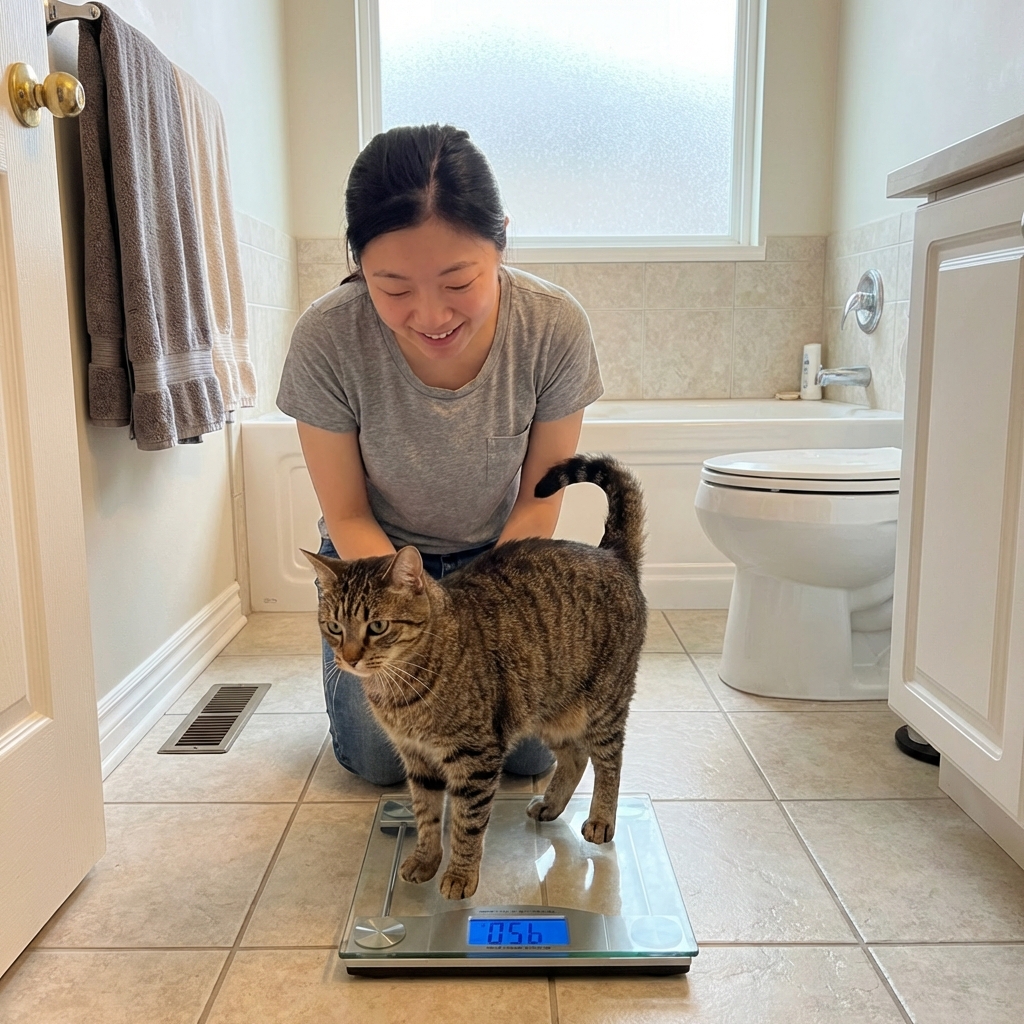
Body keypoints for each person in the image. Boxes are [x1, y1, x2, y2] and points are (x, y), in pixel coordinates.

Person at [276, 124, 604, 786]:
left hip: (500, 565)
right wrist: (413, 627)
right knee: (381, 761)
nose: (430, 314)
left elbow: (538, 507)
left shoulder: (553, 327)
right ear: (358, 262)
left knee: (529, 752)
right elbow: (346, 513)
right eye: (393, 287)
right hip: (376, 575)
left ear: (502, 240)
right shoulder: (326, 339)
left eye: (459, 281)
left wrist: (474, 626)